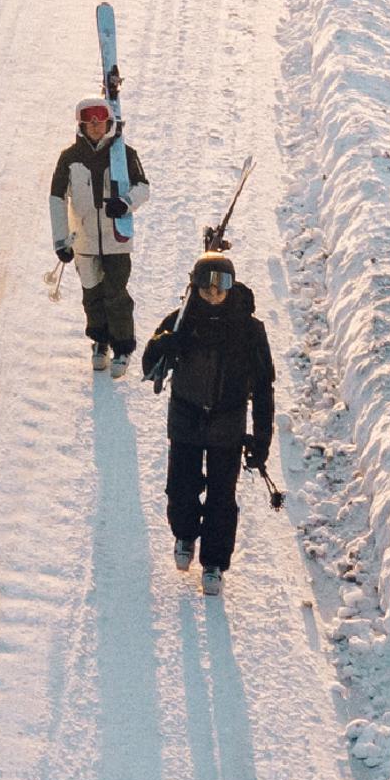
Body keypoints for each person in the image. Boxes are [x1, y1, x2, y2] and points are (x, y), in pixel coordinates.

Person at [138, 252, 273, 594]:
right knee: (180, 489)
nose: (214, 294)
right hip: (185, 417)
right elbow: (148, 364)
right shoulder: (181, 320)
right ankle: (184, 535)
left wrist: (261, 438)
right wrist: (163, 344)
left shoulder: (249, 330)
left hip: (227, 424)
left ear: (232, 286)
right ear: (194, 286)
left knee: (221, 498)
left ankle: (213, 562)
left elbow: (262, 387)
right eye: (206, 286)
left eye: (222, 286)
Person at [47, 97, 148, 371]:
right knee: (91, 294)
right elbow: (57, 199)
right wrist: (61, 240)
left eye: (100, 121)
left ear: (109, 122)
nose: (95, 127)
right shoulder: (70, 158)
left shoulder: (124, 154)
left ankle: (122, 347)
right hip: (84, 241)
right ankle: (100, 342)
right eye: (89, 121)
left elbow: (143, 187)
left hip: (117, 240)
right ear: (81, 124)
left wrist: (125, 202)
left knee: (116, 294)